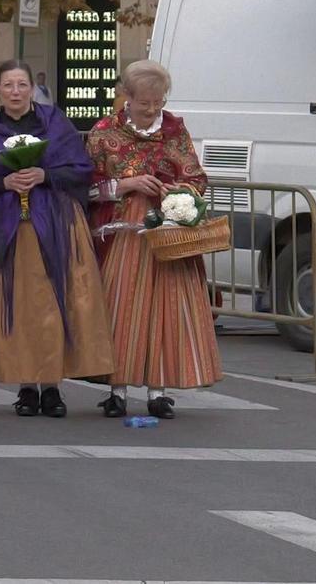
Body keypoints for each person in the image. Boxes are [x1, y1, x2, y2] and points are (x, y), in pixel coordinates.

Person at [0, 60, 113, 418]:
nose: (15, 92)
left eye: (21, 84)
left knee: (53, 304)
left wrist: (44, 174)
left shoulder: (54, 122)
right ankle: (26, 386)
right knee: (14, 306)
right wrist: (4, 182)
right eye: (8, 85)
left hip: (55, 223)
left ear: (32, 87)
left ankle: (52, 386)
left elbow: (80, 168)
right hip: (4, 224)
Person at [86, 59, 219, 419]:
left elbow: (197, 177)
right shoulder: (103, 133)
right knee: (121, 306)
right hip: (123, 233)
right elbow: (84, 187)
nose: (152, 108)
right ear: (126, 96)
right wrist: (125, 185)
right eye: (144, 101)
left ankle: (158, 390)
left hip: (167, 231)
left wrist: (180, 191)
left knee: (165, 309)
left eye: (157, 101)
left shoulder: (175, 131)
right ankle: (116, 389)